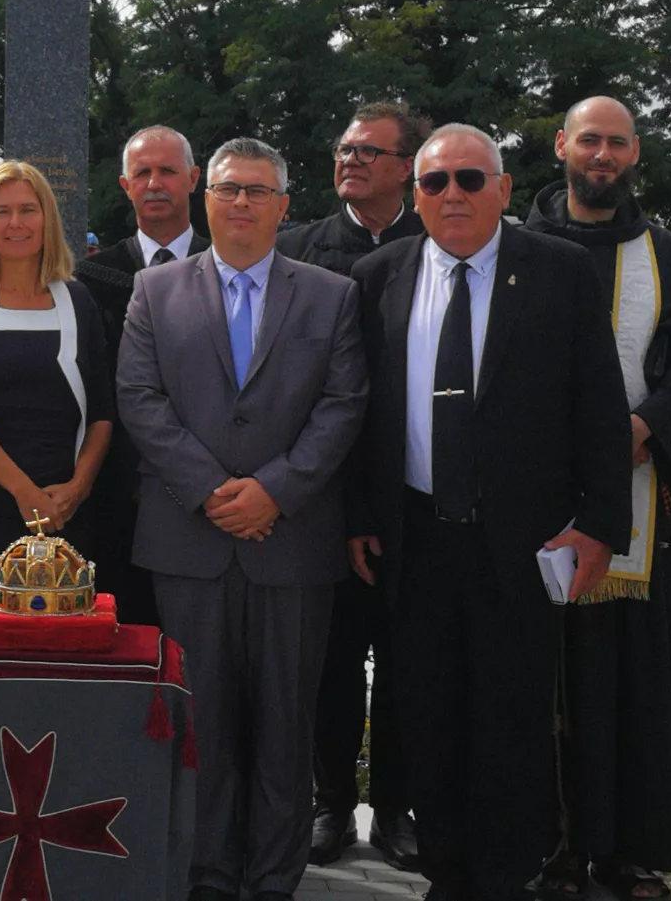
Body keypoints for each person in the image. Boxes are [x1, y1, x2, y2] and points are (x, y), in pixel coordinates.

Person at [347, 123, 631, 901]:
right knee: (427, 721)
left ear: (504, 189)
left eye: (471, 179)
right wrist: (361, 515)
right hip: (415, 542)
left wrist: (601, 522)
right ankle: (446, 870)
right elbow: (364, 416)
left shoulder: (560, 272)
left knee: (511, 724)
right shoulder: (378, 276)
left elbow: (601, 408)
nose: (453, 195)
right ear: (415, 195)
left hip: (521, 540)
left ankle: (508, 875)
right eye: (435, 182)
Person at [118, 137, 368, 901]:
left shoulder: (331, 294)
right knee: (205, 720)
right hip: (190, 542)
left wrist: (273, 492)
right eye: (229, 188)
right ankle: (208, 868)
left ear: (285, 205)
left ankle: (272, 874)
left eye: (259, 191)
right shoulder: (153, 292)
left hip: (291, 542)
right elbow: (140, 399)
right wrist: (214, 491)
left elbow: (342, 402)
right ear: (207, 197)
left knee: (285, 721)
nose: (242, 203)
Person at [526, 97, 671, 901]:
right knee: (539, 682)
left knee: (636, 684)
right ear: (562, 145)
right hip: (532, 504)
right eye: (589, 139)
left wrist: (639, 428)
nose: (603, 154)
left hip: (645, 505)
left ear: (634, 154)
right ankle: (545, 849)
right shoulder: (514, 248)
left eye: (617, 142)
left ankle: (628, 850)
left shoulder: (668, 256)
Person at [276, 101, 428, 871]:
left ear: (408, 166)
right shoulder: (299, 249)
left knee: (405, 660)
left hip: (412, 500)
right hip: (322, 497)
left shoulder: (434, 245)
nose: (351, 160)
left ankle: (398, 806)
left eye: (370, 150)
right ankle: (331, 800)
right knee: (330, 663)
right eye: (344, 148)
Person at [0, 161, 114, 606]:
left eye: (28, 210)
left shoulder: (77, 299)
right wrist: (24, 492)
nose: (16, 223)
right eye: (1, 212)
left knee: (66, 660)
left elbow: (103, 410)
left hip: (67, 515)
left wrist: (78, 488)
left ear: (47, 218)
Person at [76, 124, 208, 627]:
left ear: (194, 178)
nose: (155, 183)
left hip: (212, 490)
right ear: (124, 185)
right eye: (143, 172)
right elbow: (93, 390)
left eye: (168, 171)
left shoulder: (230, 265)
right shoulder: (92, 278)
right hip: (119, 496)